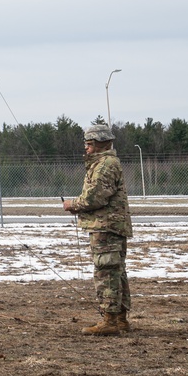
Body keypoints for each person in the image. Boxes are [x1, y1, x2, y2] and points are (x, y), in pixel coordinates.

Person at [63, 122, 133, 336]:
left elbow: (95, 196)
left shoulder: (105, 164)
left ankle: (110, 321)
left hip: (106, 227)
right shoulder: (105, 163)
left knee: (106, 272)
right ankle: (119, 319)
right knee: (115, 271)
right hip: (110, 226)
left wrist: (73, 205)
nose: (86, 147)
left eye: (89, 143)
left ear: (100, 144)